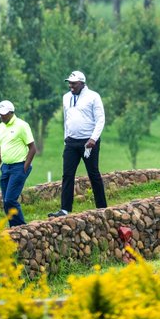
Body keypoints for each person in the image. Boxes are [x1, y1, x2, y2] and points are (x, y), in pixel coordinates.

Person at [48, 70, 106, 218]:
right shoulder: (66, 97)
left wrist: (93, 139)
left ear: (81, 83)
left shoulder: (93, 96)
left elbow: (100, 119)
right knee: (67, 175)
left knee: (93, 174)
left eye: (73, 83)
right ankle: (65, 209)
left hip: (89, 142)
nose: (70, 86)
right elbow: (67, 119)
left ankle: (102, 207)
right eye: (69, 83)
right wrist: (65, 137)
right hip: (71, 142)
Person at [0, 100, 37, 226]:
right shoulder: (0, 127)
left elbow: (33, 148)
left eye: (3, 113)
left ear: (11, 112)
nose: (1, 116)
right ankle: (14, 228)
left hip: (19, 167)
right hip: (5, 168)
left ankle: (21, 227)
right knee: (6, 202)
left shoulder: (22, 125)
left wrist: (24, 168)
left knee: (10, 199)